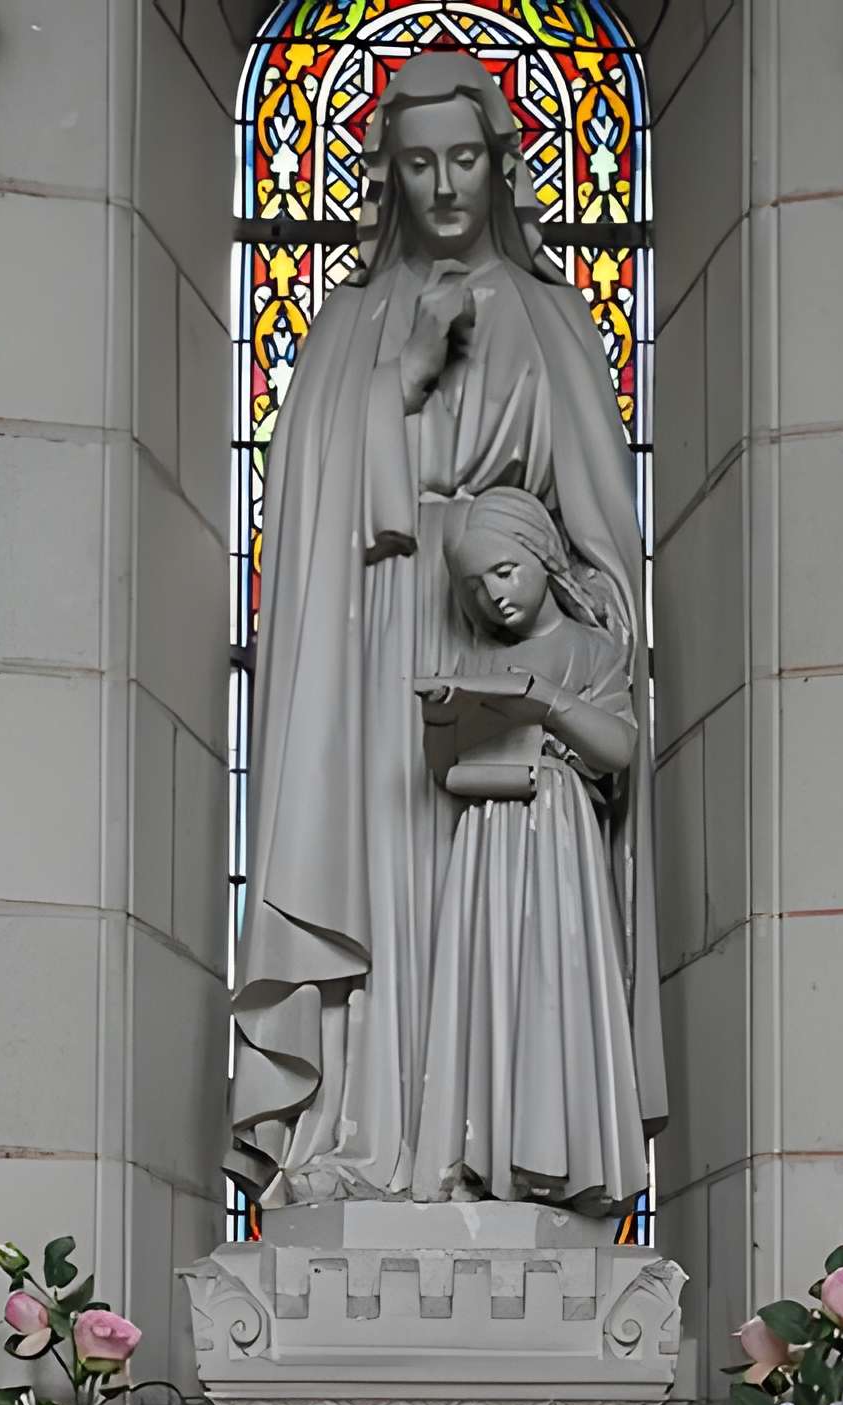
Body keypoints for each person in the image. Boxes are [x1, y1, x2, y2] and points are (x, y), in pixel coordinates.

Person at [228, 49, 663, 1206]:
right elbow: (308, 507)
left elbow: (605, 552)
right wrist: (400, 385)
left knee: (489, 882)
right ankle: (360, 1137)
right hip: (372, 646)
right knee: (378, 872)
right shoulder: (348, 327)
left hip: (500, 653)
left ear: (499, 162)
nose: (443, 185)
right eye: (417, 163)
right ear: (389, 176)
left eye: (463, 156)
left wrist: (558, 646)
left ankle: (486, 1146)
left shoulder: (548, 319)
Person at [414, 487, 645, 1212]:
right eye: (477, 586)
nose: (494, 597)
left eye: (506, 572)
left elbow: (618, 748)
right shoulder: (473, 654)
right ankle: (484, 1157)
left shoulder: (592, 649)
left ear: (544, 557)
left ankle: (551, 1160)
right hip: (489, 838)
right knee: (489, 984)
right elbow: (442, 768)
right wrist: (440, 718)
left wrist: (542, 701)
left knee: (553, 983)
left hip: (559, 838)